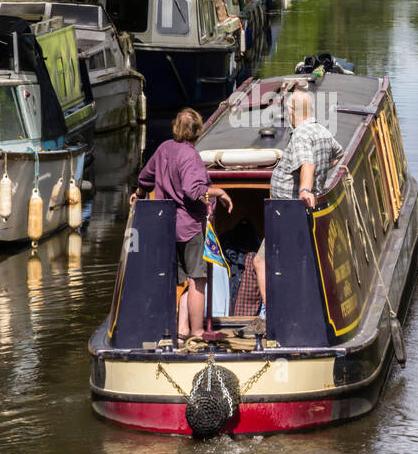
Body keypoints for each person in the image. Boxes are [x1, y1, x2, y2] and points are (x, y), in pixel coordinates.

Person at [130, 108, 233, 343]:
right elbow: (193, 190)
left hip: (168, 227)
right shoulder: (190, 156)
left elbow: (145, 178)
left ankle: (182, 328)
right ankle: (197, 331)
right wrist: (220, 191)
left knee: (186, 280)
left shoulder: (164, 148)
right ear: (197, 131)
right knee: (198, 280)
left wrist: (138, 193)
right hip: (190, 227)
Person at [252, 87, 343, 319]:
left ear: (292, 111)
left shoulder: (302, 134)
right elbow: (337, 154)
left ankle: (272, 315)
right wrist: (320, 179)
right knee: (295, 262)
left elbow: (307, 164)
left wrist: (304, 189)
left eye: (287, 110)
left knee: (260, 262)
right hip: (298, 213)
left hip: (287, 212)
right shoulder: (321, 131)